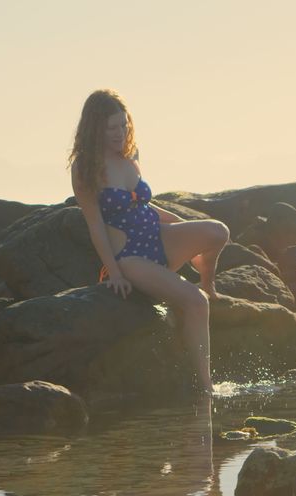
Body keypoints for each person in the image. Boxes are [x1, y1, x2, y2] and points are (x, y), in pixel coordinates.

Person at [68, 89, 229, 392]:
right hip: (131, 257)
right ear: (94, 129)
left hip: (159, 238)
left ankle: (207, 282)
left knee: (217, 231)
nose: (120, 133)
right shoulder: (85, 168)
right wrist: (114, 272)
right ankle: (206, 387)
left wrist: (182, 226)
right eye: (111, 128)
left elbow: (143, 205)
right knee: (196, 303)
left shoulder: (131, 154)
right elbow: (95, 224)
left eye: (123, 125)